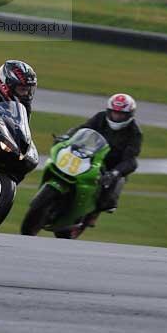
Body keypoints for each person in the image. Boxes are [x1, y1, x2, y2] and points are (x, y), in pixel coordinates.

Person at [59, 93, 142, 232]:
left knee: (110, 186)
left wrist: (115, 172)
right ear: (109, 111)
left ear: (129, 115)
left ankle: (93, 212)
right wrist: (68, 136)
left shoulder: (135, 132)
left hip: (113, 164)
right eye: (114, 113)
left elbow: (130, 158)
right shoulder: (100, 117)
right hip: (92, 154)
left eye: (121, 114)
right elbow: (83, 129)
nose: (116, 117)